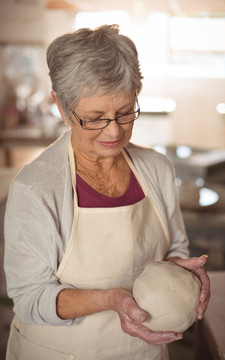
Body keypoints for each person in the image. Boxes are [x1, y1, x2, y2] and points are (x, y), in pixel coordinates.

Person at [4, 24, 210, 360]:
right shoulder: (36, 189)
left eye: (126, 111)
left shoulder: (157, 169)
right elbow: (30, 299)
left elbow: (174, 248)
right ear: (61, 106)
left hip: (145, 353)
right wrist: (110, 299)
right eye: (95, 118)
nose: (114, 130)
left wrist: (184, 273)